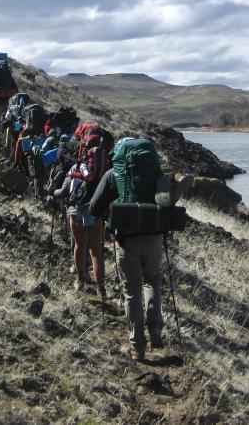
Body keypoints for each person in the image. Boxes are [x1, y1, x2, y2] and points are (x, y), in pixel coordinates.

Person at [89, 151, 164, 362]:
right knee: (152, 280)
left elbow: (95, 207)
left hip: (127, 239)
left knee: (132, 291)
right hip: (154, 236)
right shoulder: (154, 172)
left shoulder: (114, 174)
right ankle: (155, 327)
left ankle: (137, 347)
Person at [51, 163, 106, 299]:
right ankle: (101, 288)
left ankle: (80, 279)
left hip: (75, 210)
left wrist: (52, 192)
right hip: (94, 210)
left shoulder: (74, 169)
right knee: (96, 250)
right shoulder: (99, 168)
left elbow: (64, 192)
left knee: (79, 245)